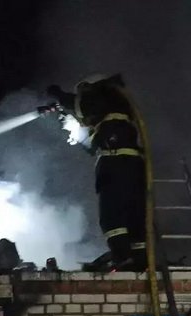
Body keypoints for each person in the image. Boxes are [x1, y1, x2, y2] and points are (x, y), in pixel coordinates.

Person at [46, 74, 147, 271]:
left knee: (112, 216)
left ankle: (123, 257)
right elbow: (93, 146)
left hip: (114, 165)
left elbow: (81, 105)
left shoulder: (102, 94)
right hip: (133, 166)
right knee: (134, 215)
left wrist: (57, 94)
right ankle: (139, 259)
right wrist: (69, 124)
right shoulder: (117, 112)